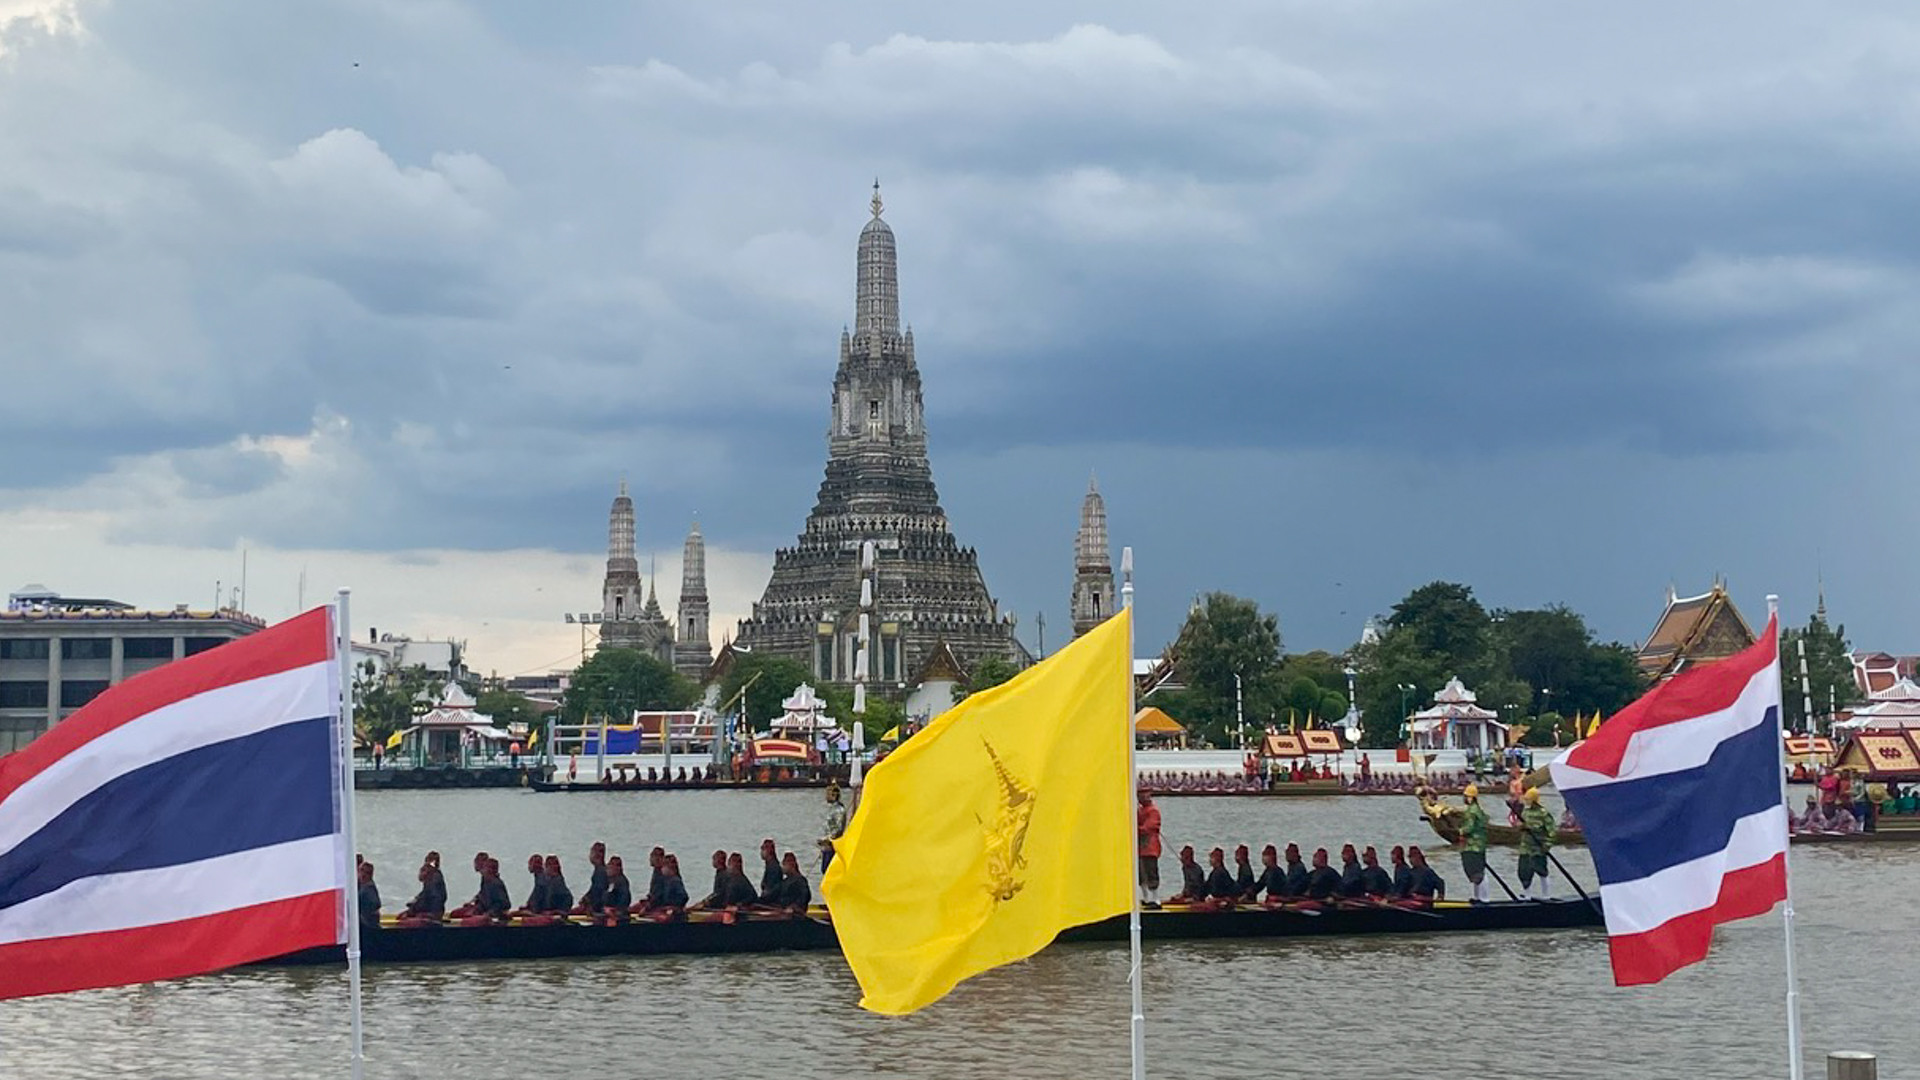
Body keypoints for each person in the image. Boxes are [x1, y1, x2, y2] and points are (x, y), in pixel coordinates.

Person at [1517, 788, 1555, 900]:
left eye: (1528, 799)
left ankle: (1546, 895)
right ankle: (1527, 895)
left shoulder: (1543, 813)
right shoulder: (1525, 812)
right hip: (1525, 847)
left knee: (1541, 870)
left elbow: (1551, 831)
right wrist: (1522, 828)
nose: (1526, 801)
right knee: (1524, 871)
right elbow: (1521, 826)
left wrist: (1547, 845)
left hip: (1538, 847)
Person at [1458, 784, 1491, 903]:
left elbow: (1469, 827)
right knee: (1476, 872)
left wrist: (1460, 831)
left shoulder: (1472, 811)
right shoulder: (1478, 810)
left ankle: (1484, 898)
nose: (1465, 798)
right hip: (1478, 845)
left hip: (1473, 845)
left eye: (1466, 796)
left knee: (1478, 872)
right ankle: (1478, 897)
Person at [1136, 790, 1163, 907]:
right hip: (1141, 847)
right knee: (1141, 873)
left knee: (1151, 871)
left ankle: (1155, 898)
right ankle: (1146, 897)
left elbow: (1149, 827)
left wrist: (1136, 828)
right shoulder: (1140, 810)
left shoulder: (1153, 810)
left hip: (1150, 846)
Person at [821, 784, 849, 873]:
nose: (826, 796)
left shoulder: (839, 810)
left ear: (834, 795)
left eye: (828, 794)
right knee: (824, 869)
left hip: (833, 846)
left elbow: (838, 829)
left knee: (829, 869)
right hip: (826, 845)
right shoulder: (831, 809)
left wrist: (828, 839)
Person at [577, 842, 609, 915]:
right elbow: (594, 890)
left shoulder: (600, 872)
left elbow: (598, 892)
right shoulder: (601, 870)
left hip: (597, 909)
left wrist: (590, 906)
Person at [599, 856, 632, 925]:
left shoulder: (622, 882)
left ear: (618, 868)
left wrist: (615, 912)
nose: (608, 868)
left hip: (619, 916)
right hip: (607, 912)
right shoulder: (610, 881)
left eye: (611, 865)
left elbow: (624, 900)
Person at [358, 861, 381, 930]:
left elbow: (376, 904)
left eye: (367, 873)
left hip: (368, 925)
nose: (363, 875)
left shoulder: (368, 889)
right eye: (361, 871)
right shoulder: (362, 886)